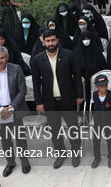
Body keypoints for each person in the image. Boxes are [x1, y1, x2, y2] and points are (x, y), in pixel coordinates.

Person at [31, 29, 84, 168]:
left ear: (58, 40)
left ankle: (75, 152)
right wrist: (39, 102)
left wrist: (79, 96)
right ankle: (60, 154)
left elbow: (77, 77)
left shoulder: (69, 55)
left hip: (68, 99)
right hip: (50, 101)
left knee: (73, 128)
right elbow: (36, 82)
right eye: (47, 41)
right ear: (43, 42)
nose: (50, 43)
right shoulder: (37, 59)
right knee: (55, 130)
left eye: (53, 40)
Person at [0, 46, 30, 177]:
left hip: (15, 109)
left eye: (2, 57)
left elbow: (22, 90)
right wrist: (1, 109)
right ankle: (10, 163)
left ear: (7, 57)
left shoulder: (16, 69)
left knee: (20, 137)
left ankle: (24, 161)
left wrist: (11, 107)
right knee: (5, 139)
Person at [90, 74, 111, 168]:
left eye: (106, 85)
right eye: (101, 86)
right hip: (97, 121)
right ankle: (97, 157)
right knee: (96, 140)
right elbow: (93, 107)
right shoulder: (94, 95)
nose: (104, 88)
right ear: (96, 86)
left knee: (109, 139)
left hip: (108, 121)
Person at [74, 30, 106, 101]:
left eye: (88, 39)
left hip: (96, 82)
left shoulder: (97, 51)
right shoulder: (76, 53)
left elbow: (102, 66)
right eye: (84, 39)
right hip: (82, 82)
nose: (86, 41)